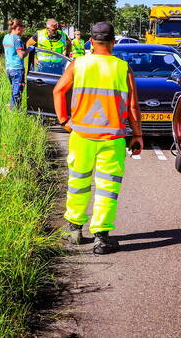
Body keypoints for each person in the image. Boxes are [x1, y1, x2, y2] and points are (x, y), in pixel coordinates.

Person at [52, 21, 144, 254]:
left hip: (81, 136)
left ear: (91, 42)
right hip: (112, 138)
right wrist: (138, 135)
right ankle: (101, 238)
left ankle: (74, 230)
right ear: (113, 43)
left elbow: (58, 90)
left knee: (78, 183)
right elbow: (133, 107)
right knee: (107, 188)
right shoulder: (123, 68)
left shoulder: (78, 64)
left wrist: (64, 121)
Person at [2, 19, 28, 109]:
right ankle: (13, 111)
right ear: (18, 28)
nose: (23, 30)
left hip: (9, 68)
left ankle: (12, 108)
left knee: (14, 90)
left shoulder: (6, 37)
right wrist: (29, 49)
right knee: (17, 92)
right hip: (17, 69)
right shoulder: (17, 39)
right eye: (23, 27)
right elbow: (21, 55)